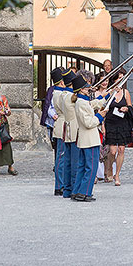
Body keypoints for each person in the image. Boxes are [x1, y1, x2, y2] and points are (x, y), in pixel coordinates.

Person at [72, 75, 107, 202]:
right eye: (86, 87)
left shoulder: (82, 101)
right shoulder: (81, 103)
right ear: (81, 90)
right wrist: (100, 116)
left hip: (85, 139)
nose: (88, 89)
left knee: (82, 166)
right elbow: (88, 122)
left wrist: (107, 95)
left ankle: (77, 191)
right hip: (90, 139)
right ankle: (85, 192)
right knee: (91, 167)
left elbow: (92, 104)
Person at [104, 68, 133, 186]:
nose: (121, 80)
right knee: (112, 151)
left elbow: (130, 106)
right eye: (119, 77)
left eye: (122, 78)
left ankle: (117, 175)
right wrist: (111, 93)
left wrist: (127, 108)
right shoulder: (109, 91)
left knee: (121, 149)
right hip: (111, 123)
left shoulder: (126, 92)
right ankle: (109, 167)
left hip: (122, 123)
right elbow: (103, 107)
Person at [61, 70, 80, 199]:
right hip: (74, 131)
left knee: (68, 162)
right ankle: (74, 188)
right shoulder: (72, 96)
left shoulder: (62, 94)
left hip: (67, 131)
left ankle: (67, 189)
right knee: (75, 162)